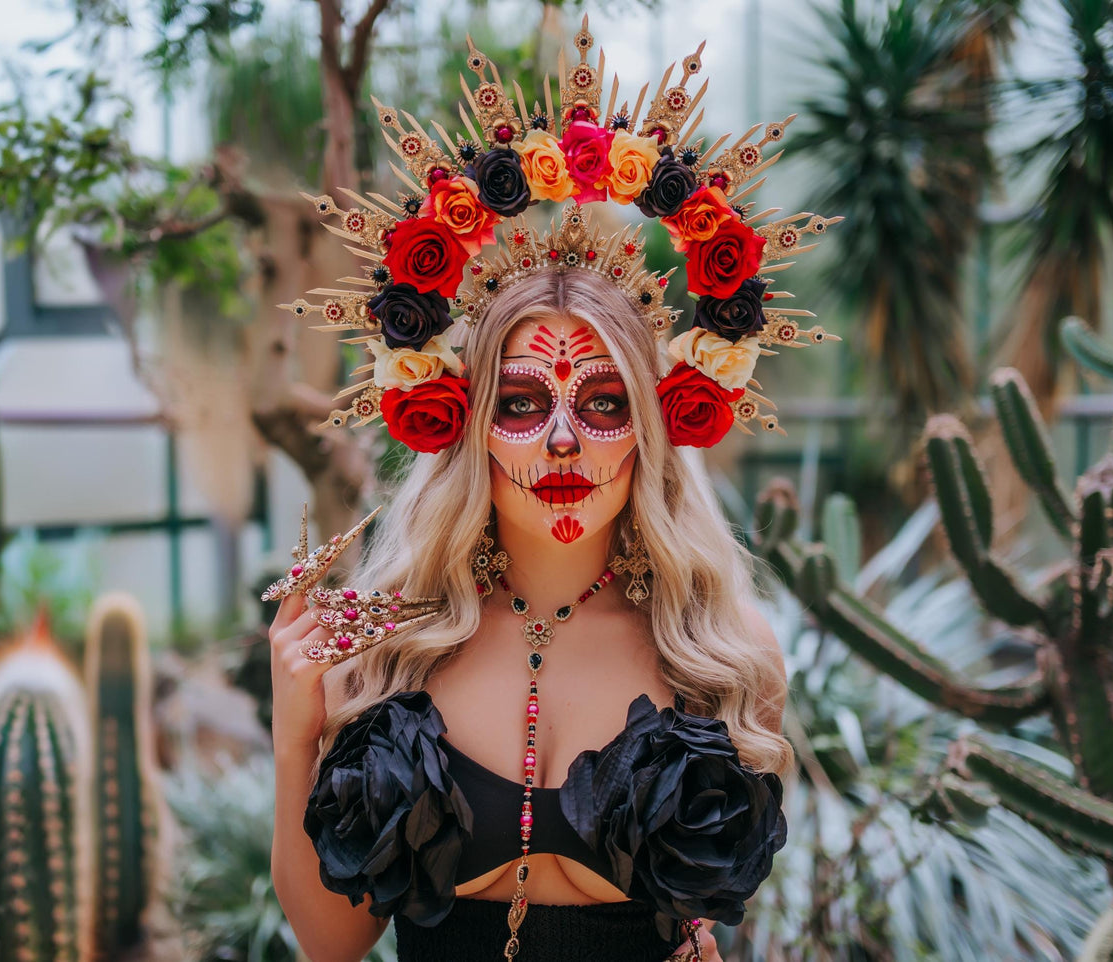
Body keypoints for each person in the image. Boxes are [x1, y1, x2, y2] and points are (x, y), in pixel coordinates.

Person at [264, 19, 835, 962]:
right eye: (523, 401)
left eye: (604, 401)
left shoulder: (721, 655)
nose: (564, 438)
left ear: (649, 435)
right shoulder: (393, 646)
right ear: (470, 423)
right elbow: (332, 941)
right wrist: (296, 738)